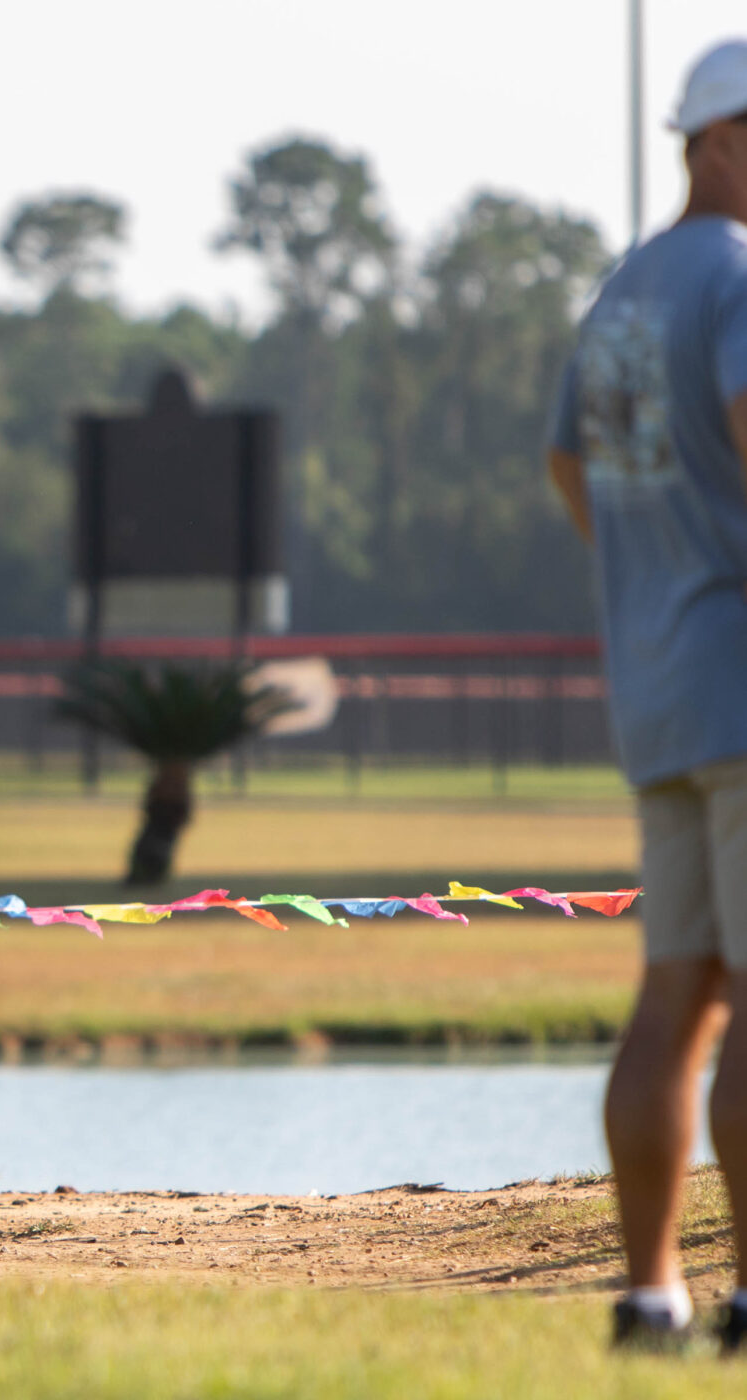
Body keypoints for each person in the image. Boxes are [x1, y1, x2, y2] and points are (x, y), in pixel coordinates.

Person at [546, 40, 747, 1351]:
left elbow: (570, 470)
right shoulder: (736, 271)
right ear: (725, 136)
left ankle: (648, 1293)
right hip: (742, 679)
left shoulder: (619, 290)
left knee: (676, 990)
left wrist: (651, 566)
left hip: (657, 692)